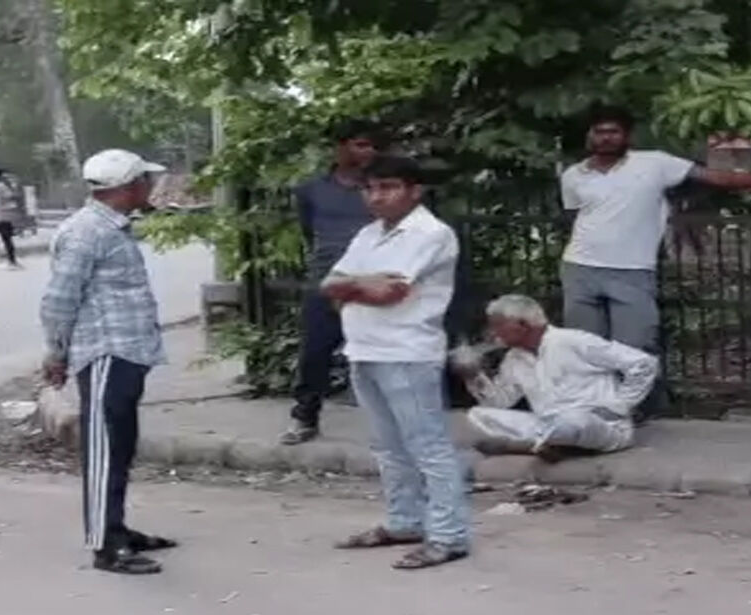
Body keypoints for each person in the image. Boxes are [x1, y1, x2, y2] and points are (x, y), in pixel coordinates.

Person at [559, 104, 751, 416]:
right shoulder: (573, 175)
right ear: (589, 136)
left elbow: (715, 177)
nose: (606, 138)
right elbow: (574, 217)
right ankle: (591, 410)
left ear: (627, 136)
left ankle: (634, 409)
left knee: (635, 345)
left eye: (613, 131)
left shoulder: (655, 163)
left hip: (632, 270)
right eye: (600, 132)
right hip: (579, 268)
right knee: (584, 346)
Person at [323, 155, 469, 570]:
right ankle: (404, 521)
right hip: (363, 349)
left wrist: (351, 287)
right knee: (388, 447)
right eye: (369, 188)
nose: (376, 196)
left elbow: (389, 292)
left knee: (429, 448)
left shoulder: (430, 233)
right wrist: (359, 285)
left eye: (388, 187)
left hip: (406, 352)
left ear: (414, 190)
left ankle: (449, 535)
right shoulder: (368, 234)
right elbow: (328, 286)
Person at [39, 149, 175, 575]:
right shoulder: (86, 232)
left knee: (121, 445)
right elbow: (59, 300)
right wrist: (56, 353)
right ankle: (105, 546)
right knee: (104, 451)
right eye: (145, 181)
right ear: (129, 186)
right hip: (104, 355)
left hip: (127, 354)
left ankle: (116, 528)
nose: (150, 187)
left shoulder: (111, 227)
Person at [280, 119, 386, 445]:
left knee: (383, 354)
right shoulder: (311, 191)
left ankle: (390, 424)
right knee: (315, 351)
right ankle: (305, 416)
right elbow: (308, 231)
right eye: (361, 144)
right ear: (340, 148)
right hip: (326, 281)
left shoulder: (380, 190)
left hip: (373, 284)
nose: (369, 152)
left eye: (373, 146)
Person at [453, 294, 659, 461]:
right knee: (479, 415)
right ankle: (549, 445)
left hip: (598, 425)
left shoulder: (573, 341)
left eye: (498, 325)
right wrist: (474, 375)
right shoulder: (513, 359)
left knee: (573, 421)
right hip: (548, 424)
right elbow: (500, 403)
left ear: (522, 324)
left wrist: (620, 405)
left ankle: (537, 445)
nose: (493, 333)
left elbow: (644, 363)